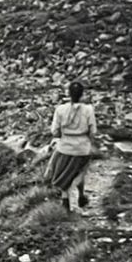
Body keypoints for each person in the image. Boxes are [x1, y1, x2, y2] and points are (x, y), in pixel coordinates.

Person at [46, 80, 99, 212]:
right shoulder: (88, 110)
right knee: (80, 171)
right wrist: (90, 142)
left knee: (64, 172)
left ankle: (65, 200)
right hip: (82, 147)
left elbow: (55, 131)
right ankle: (81, 195)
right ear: (82, 94)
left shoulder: (60, 109)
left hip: (65, 147)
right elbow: (93, 131)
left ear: (68, 93)